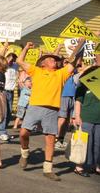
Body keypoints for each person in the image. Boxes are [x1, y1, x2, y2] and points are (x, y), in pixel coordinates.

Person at [17, 39, 85, 181]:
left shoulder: (61, 74)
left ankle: (48, 169)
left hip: (52, 110)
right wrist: (27, 48)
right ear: (43, 63)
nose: (54, 60)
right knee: (23, 132)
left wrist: (82, 44)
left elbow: (74, 62)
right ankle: (24, 152)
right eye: (50, 59)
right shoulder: (36, 71)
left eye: (55, 59)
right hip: (35, 107)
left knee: (50, 139)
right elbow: (19, 60)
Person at [72, 65, 100, 177]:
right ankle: (79, 166)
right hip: (86, 118)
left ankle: (96, 166)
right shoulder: (83, 85)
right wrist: (77, 116)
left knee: (98, 144)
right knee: (85, 143)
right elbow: (78, 101)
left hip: (99, 120)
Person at [56, 60, 79, 150]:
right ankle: (57, 140)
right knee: (62, 118)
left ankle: (61, 140)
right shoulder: (61, 71)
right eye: (65, 62)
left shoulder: (75, 72)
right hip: (64, 96)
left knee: (68, 120)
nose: (68, 63)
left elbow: (80, 64)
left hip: (73, 97)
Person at [0, 52, 19, 141]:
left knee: (9, 113)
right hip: (3, 91)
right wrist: (5, 49)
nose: (11, 61)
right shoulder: (3, 66)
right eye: (10, 59)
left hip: (11, 92)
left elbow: (20, 61)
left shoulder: (15, 66)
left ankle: (2, 130)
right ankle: (1, 131)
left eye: (13, 60)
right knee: (4, 113)